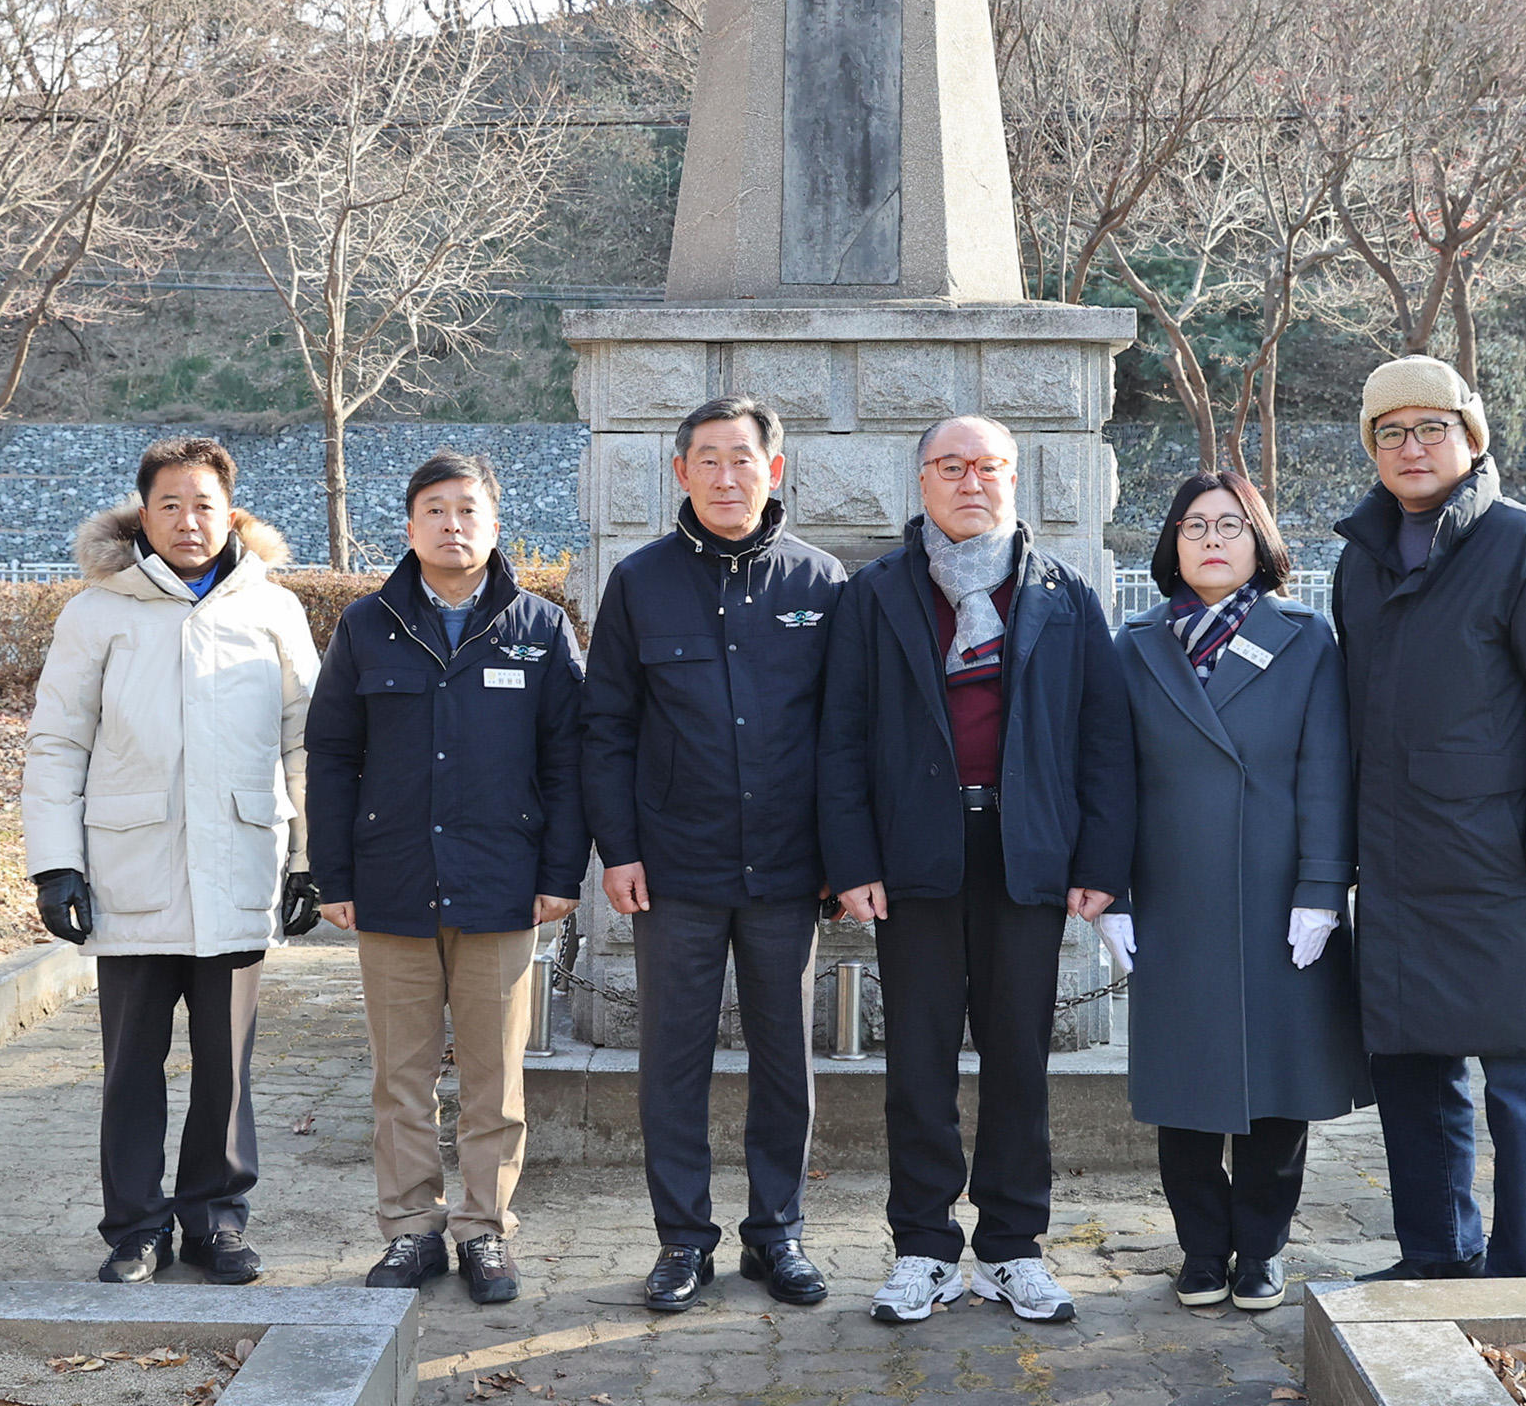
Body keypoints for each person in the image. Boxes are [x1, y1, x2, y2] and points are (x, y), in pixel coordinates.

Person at [819, 414, 1136, 1327]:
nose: (971, 482)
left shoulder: (1064, 593)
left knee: (1020, 1060)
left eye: (988, 467)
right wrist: (852, 861)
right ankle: (922, 1247)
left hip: (1025, 849)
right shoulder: (876, 593)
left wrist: (1100, 861)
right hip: (914, 852)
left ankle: (1010, 1248)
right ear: (921, 481)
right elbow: (839, 739)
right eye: (951, 467)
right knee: (916, 1062)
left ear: (1013, 479)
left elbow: (1104, 740)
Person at [1330, 357, 1526, 1281]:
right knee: (1411, 1066)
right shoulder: (1361, 558)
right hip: (1394, 857)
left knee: (1522, 1068)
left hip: (1501, 856)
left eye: (1432, 428)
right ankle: (1436, 1253)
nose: (1411, 448)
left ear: (1470, 436)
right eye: (1390, 433)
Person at [21, 436, 321, 1286]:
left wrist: (314, 859)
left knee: (226, 1066)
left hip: (239, 865)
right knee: (132, 1067)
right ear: (142, 515)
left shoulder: (273, 610)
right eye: (170, 505)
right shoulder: (96, 613)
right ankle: (135, 1230)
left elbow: (309, 743)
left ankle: (215, 1222)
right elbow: (58, 742)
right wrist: (56, 864)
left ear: (232, 513)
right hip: (130, 871)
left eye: (204, 505)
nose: (189, 522)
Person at [304, 449, 587, 1307]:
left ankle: (484, 1229)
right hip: (391, 881)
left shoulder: (540, 628)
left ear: (495, 525)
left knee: (496, 1076)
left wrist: (561, 872)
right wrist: (332, 874)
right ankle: (411, 1229)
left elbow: (568, 760)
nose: (452, 525)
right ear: (410, 526)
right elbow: (332, 756)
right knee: (402, 1074)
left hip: (504, 883)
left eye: (468, 510)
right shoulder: (366, 626)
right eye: (435, 510)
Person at [583, 395, 846, 1312]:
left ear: (774, 470)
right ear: (680, 472)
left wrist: (841, 853)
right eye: (708, 460)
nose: (727, 477)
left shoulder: (821, 582)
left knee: (785, 1060)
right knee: (672, 1061)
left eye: (743, 459)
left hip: (788, 866)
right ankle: (682, 1240)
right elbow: (606, 727)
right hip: (674, 869)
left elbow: (845, 732)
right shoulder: (639, 582)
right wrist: (619, 850)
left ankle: (777, 1236)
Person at [1103, 471, 1366, 1314]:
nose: (1211, 541)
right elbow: (1109, 781)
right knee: (1183, 1084)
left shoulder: (1305, 639)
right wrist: (1112, 896)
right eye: (1194, 526)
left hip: (1277, 892)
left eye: (1230, 525)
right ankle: (1201, 1249)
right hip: (1173, 894)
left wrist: (1321, 887)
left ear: (1260, 542)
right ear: (1171, 545)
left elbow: (1327, 771)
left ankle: (1261, 1248)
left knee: (1279, 1082)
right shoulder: (1136, 643)